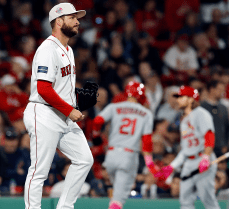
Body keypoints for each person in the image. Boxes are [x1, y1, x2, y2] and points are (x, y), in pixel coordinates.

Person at [23, 3, 94, 209]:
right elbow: (44, 89)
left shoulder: (68, 49)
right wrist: (69, 109)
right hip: (43, 113)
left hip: (62, 114)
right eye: (72, 18)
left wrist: (76, 102)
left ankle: (64, 207)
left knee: (84, 160)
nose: (77, 21)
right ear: (59, 21)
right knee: (39, 171)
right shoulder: (47, 49)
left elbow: (59, 88)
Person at [92, 81, 158, 209]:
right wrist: (149, 163)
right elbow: (147, 141)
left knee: (116, 191)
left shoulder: (114, 107)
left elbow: (97, 121)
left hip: (111, 155)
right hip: (129, 156)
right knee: (118, 200)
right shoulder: (146, 113)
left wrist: (96, 137)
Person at [156, 86, 220, 209]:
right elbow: (185, 151)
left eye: (181, 97)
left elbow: (209, 135)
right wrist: (171, 167)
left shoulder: (201, 114)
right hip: (189, 163)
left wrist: (206, 157)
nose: (178, 100)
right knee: (184, 200)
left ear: (191, 100)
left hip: (202, 159)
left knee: (208, 200)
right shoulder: (184, 121)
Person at [201, 80, 229, 157]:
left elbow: (227, 128)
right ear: (212, 89)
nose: (222, 92)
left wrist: (225, 144)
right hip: (204, 148)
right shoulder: (201, 107)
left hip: (220, 147)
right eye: (220, 89)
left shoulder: (223, 108)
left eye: (223, 90)